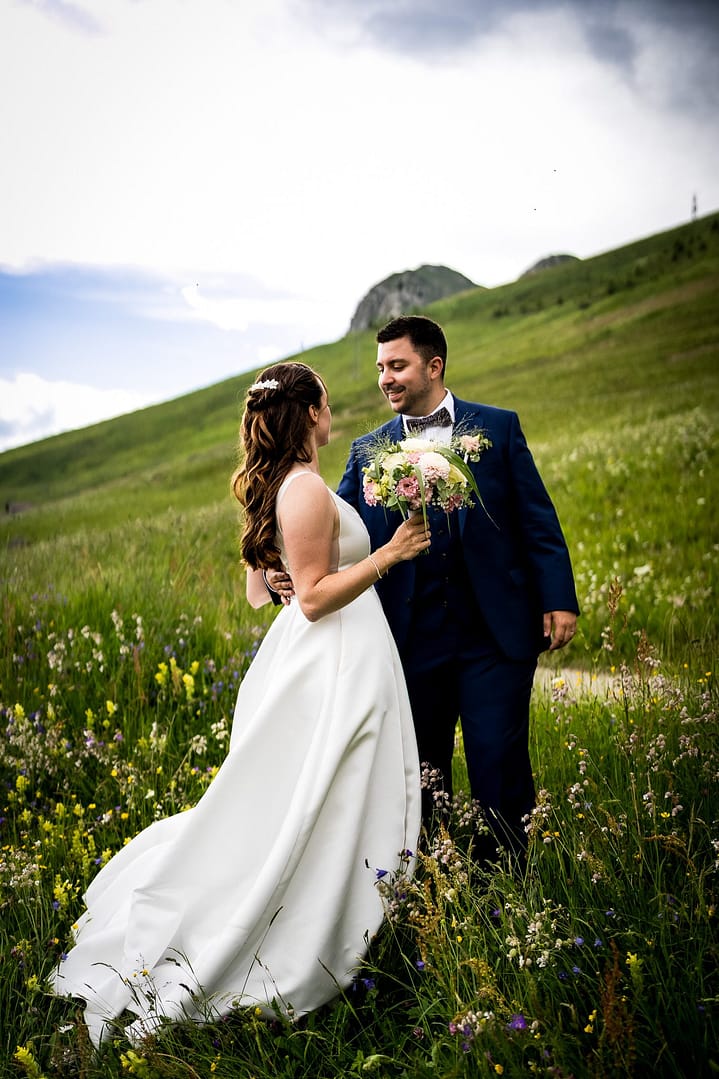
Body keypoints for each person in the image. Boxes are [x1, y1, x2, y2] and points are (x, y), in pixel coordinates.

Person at [50, 361, 429, 1047]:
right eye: (325, 400)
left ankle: (354, 911)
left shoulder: (285, 485)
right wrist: (391, 553)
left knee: (326, 795)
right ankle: (312, 926)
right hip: (332, 660)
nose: (332, 407)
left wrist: (288, 574)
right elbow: (312, 598)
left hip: (334, 654)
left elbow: (263, 590)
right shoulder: (304, 487)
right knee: (323, 796)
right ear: (311, 411)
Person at [335, 315, 579, 861]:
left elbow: (537, 518)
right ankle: (426, 885)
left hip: (496, 634)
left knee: (498, 761)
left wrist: (559, 598)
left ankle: (508, 884)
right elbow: (338, 528)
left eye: (397, 365)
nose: (385, 379)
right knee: (420, 770)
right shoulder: (366, 449)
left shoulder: (498, 428)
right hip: (412, 638)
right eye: (380, 368)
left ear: (433, 366)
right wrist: (280, 559)